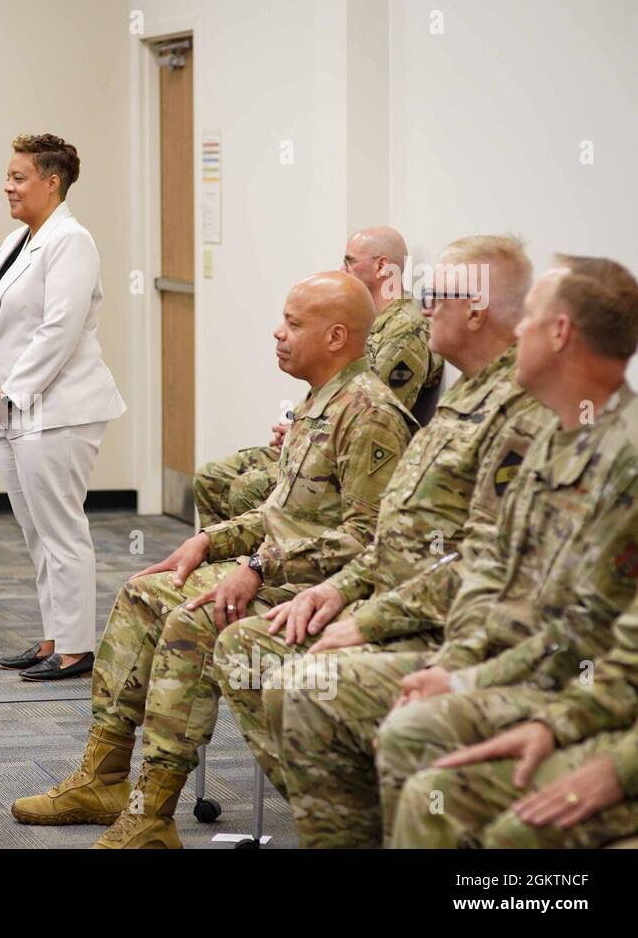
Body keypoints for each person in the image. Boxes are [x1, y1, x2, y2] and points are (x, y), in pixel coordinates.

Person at [10, 271, 413, 848]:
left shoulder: (369, 412)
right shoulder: (320, 401)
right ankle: (103, 779)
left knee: (194, 623)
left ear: (336, 337)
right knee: (144, 594)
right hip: (278, 569)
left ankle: (151, 815)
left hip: (321, 588)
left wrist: (259, 566)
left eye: (294, 324)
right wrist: (213, 540)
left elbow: (369, 537)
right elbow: (283, 512)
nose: (278, 333)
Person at [276, 255, 638, 846]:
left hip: (569, 686)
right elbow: (494, 570)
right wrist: (459, 665)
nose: (517, 329)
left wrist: (464, 677)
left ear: (560, 334)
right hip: (520, 662)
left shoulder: (620, 455)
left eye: (531, 319)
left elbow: (581, 635)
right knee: (337, 700)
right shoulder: (554, 437)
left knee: (419, 762)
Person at [215, 235, 539, 796]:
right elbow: (396, 536)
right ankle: (339, 811)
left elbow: (482, 566)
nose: (423, 304)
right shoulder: (466, 399)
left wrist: (369, 618)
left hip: (445, 631)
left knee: (289, 674)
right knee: (244, 644)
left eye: (436, 292)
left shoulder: (518, 416)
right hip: (391, 599)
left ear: (478, 308)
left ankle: (355, 813)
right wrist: (338, 590)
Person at [0, 134, 126, 681]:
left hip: (60, 409)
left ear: (52, 182)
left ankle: (79, 647)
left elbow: (58, 329)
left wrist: (10, 392)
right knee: (36, 531)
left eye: (19, 177)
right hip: (14, 409)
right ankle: (53, 636)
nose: (8, 186)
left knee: (62, 529)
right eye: (9, 177)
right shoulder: (18, 240)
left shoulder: (72, 241)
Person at [193, 226, 443, 525]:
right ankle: (221, 564)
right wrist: (298, 426)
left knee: (246, 490)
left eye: (350, 261)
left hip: (349, 457)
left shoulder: (405, 330)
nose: (342, 268)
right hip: (317, 436)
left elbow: (369, 411)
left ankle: (262, 566)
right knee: (211, 477)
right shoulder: (360, 317)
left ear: (381, 266)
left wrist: (305, 432)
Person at [393, 592, 638, 848]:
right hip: (558, 685)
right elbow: (626, 668)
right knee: (432, 793)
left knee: (520, 831)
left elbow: (589, 628)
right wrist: (551, 726)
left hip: (571, 691)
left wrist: (621, 769)